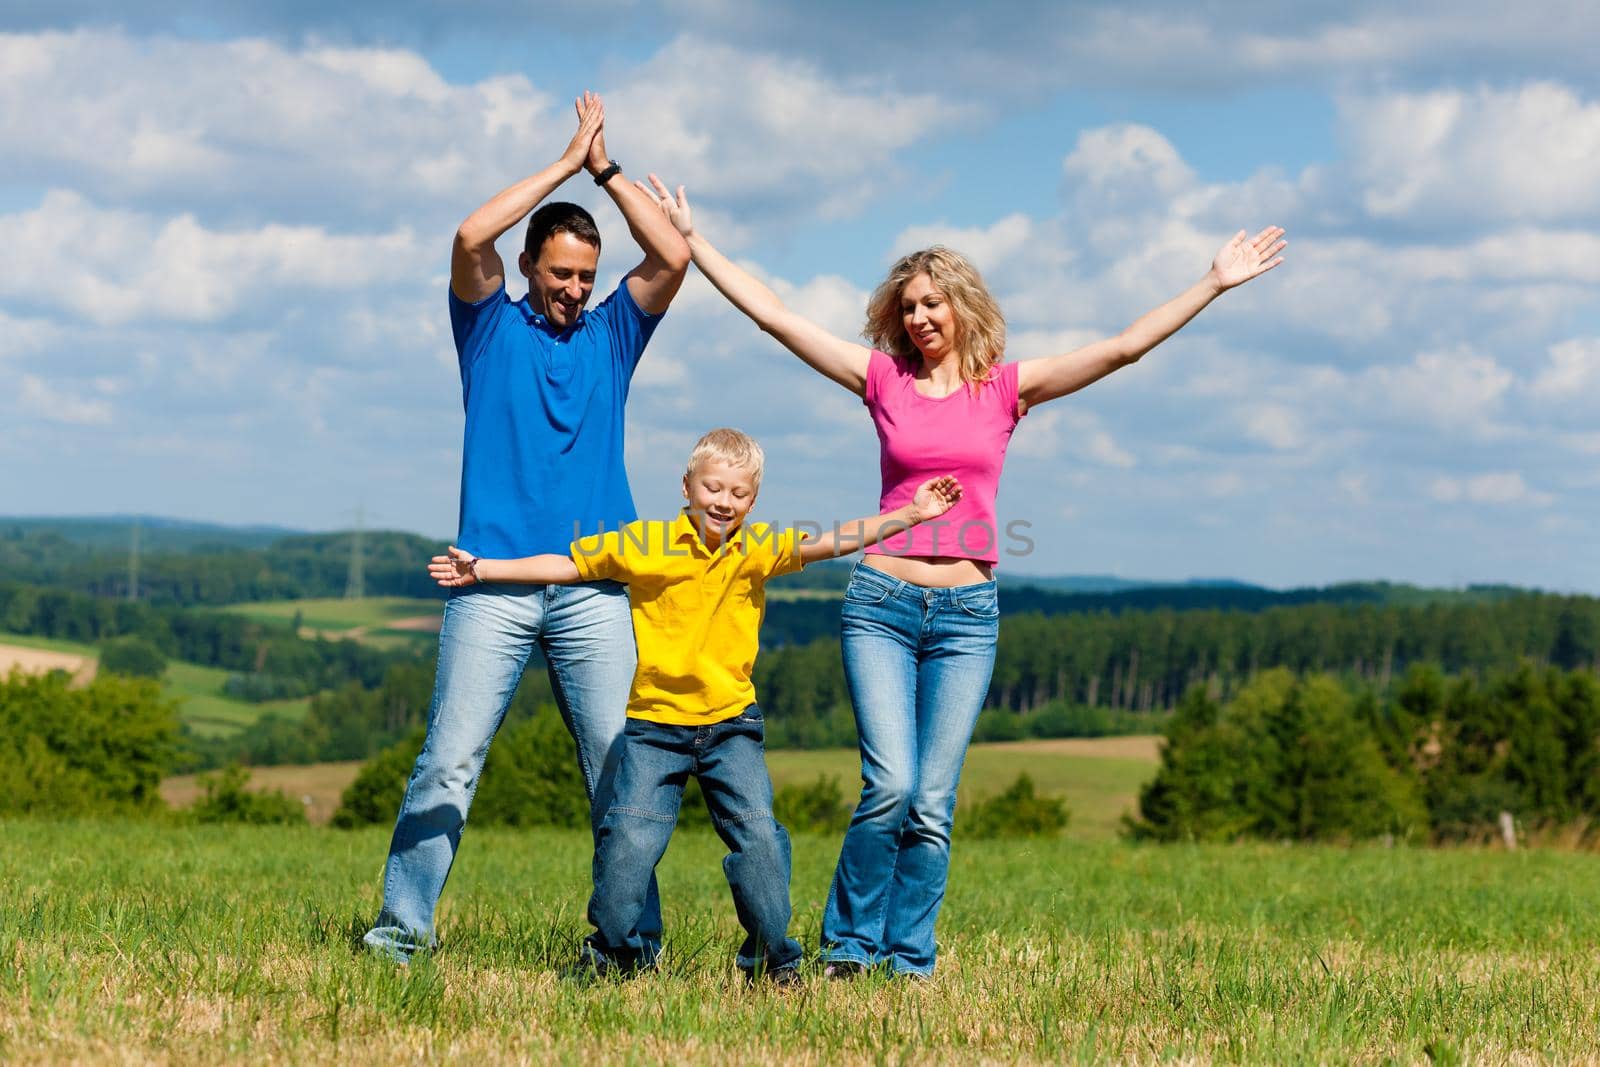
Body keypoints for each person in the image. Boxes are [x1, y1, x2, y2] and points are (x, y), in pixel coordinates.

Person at [636, 174, 1286, 978]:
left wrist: (1212, 284)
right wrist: (693, 244)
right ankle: (848, 945)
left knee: (933, 804)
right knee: (889, 786)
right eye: (907, 306)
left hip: (968, 615)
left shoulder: (1005, 391)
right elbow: (776, 315)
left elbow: (1123, 347)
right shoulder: (884, 382)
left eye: (932, 303)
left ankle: (907, 957)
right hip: (881, 603)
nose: (918, 318)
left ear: (963, 307)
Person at [425, 428, 964, 981]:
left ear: (752, 502)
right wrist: (485, 569)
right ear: (687, 486)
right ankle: (613, 951)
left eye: (738, 493)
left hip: (733, 728)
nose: (723, 502)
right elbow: (567, 565)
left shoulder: (757, 548)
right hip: (655, 729)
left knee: (759, 842)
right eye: (712, 487)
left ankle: (771, 956)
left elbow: (835, 541)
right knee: (628, 842)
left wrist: (914, 514)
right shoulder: (646, 543)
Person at [362, 93, 691, 962]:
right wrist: (563, 159)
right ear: (530, 266)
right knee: (449, 764)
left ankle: (628, 945)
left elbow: (673, 253)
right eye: (561, 274)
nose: (576, 291)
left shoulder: (614, 333)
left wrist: (607, 170)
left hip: (595, 592)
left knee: (619, 778)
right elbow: (470, 236)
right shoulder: (487, 326)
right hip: (489, 586)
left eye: (587, 276)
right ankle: (401, 935)